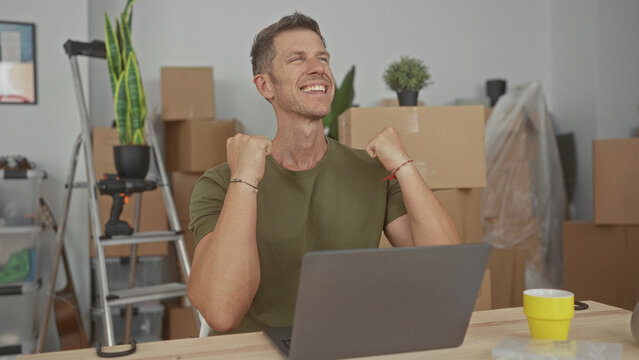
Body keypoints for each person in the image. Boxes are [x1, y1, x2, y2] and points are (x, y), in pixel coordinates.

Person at [186, 12, 460, 335]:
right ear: (265, 85)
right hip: (256, 351)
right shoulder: (221, 183)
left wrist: (403, 165)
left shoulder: (373, 172)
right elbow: (220, 312)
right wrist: (244, 179)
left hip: (345, 345)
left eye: (323, 58)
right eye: (297, 59)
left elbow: (447, 276)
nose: (318, 68)